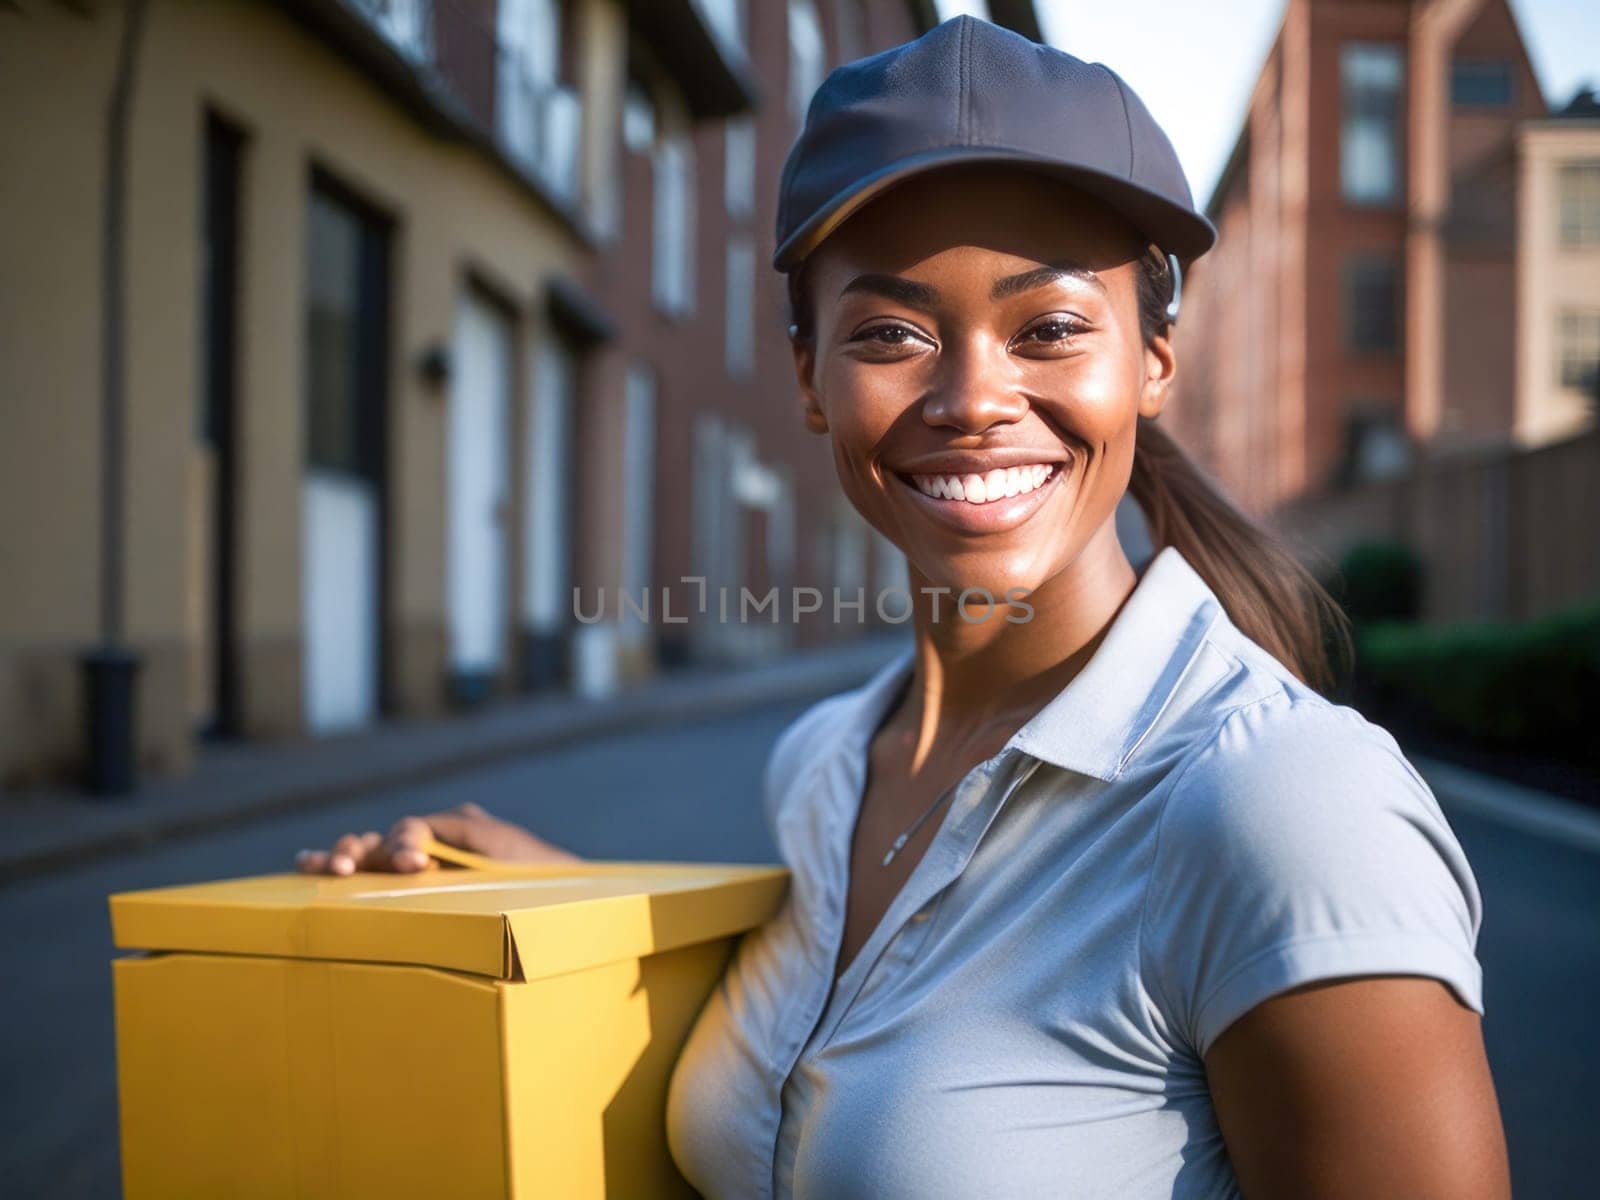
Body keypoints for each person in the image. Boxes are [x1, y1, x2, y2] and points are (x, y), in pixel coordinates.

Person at [298, 17, 1509, 1198]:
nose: (974, 397)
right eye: (888, 332)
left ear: (1150, 360)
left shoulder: (1278, 804)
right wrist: (570, 905)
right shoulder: (821, 763)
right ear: (809, 377)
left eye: (1049, 328)